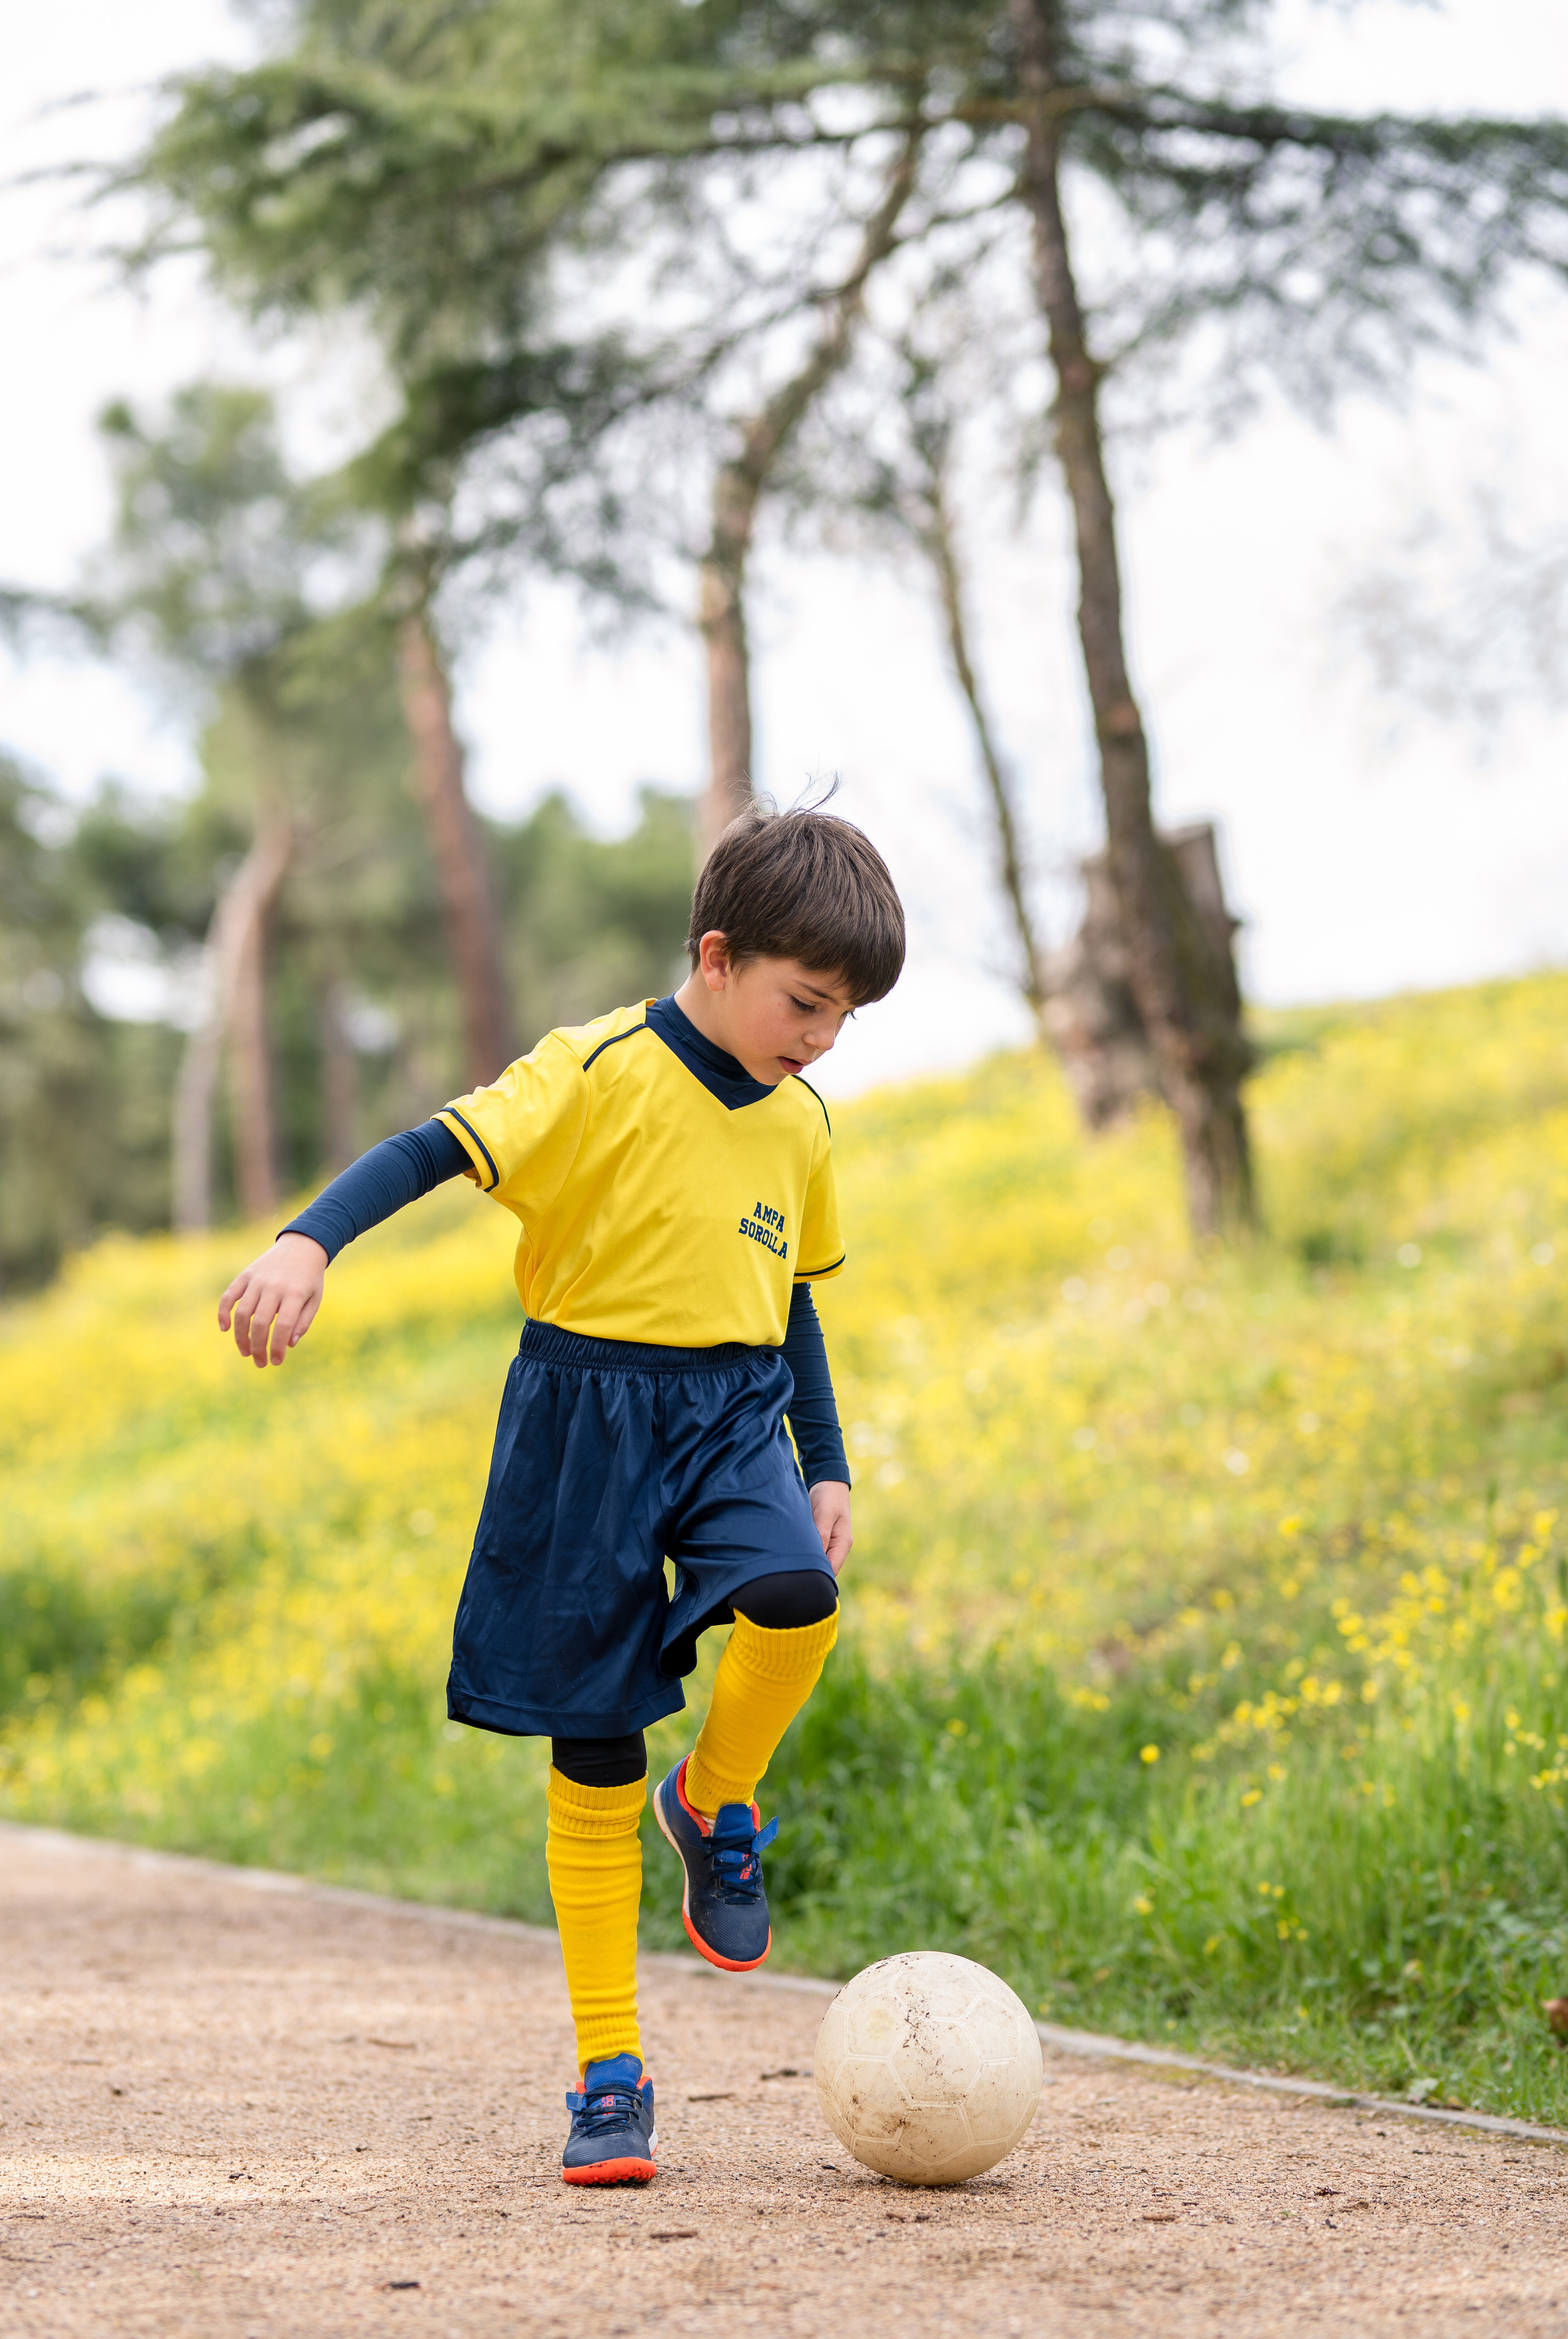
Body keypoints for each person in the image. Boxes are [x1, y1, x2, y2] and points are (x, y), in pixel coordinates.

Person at [216, 807, 905, 2187]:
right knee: (593, 1741)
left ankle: (717, 1799)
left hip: (726, 1410)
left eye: (844, 1015)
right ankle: (609, 2071)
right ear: (714, 956)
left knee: (797, 1592)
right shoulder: (590, 1068)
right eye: (805, 1002)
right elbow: (426, 1148)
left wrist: (822, 1458)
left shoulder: (801, 1119)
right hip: (578, 1420)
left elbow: (796, 1302)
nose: (821, 1036)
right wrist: (307, 1240)